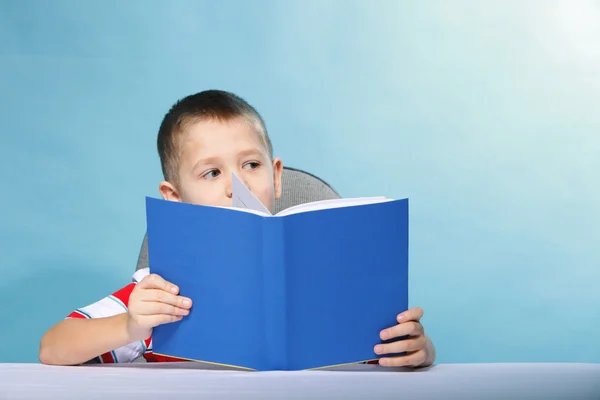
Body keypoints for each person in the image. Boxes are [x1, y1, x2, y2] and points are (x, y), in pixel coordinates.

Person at [38, 90, 436, 368]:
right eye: (211, 172)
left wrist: (417, 349)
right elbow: (53, 347)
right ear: (174, 197)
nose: (237, 186)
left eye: (251, 165)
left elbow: (389, 355)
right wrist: (131, 325)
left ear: (276, 176)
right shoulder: (160, 290)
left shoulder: (331, 279)